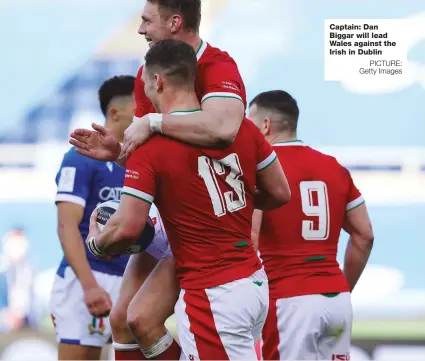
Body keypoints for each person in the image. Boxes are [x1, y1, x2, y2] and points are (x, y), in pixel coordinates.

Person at [69, 1, 255, 360]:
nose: (139, 29)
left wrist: (153, 122)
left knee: (143, 318)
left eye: (145, 20)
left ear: (174, 22)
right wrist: (118, 153)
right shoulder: (146, 75)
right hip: (173, 219)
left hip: (213, 231)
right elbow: (143, 154)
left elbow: (223, 128)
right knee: (123, 319)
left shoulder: (218, 67)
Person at [86, 39, 290, 360]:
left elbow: (127, 228)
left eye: (145, 86)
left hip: (213, 296)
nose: (145, 97)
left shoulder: (150, 147)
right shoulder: (243, 130)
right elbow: (280, 192)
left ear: (158, 81)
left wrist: (97, 244)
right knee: (136, 317)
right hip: (251, 283)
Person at [248, 90, 375, 360]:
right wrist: (340, 285)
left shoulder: (260, 171)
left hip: (289, 300)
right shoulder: (334, 168)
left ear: (265, 125)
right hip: (336, 300)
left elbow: (251, 238)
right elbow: (364, 236)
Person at [50, 75, 169, 360]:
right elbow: (67, 225)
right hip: (89, 280)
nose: (145, 112)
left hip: (129, 279)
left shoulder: (141, 159)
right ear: (115, 112)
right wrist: (90, 287)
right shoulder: (80, 158)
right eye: (138, 106)